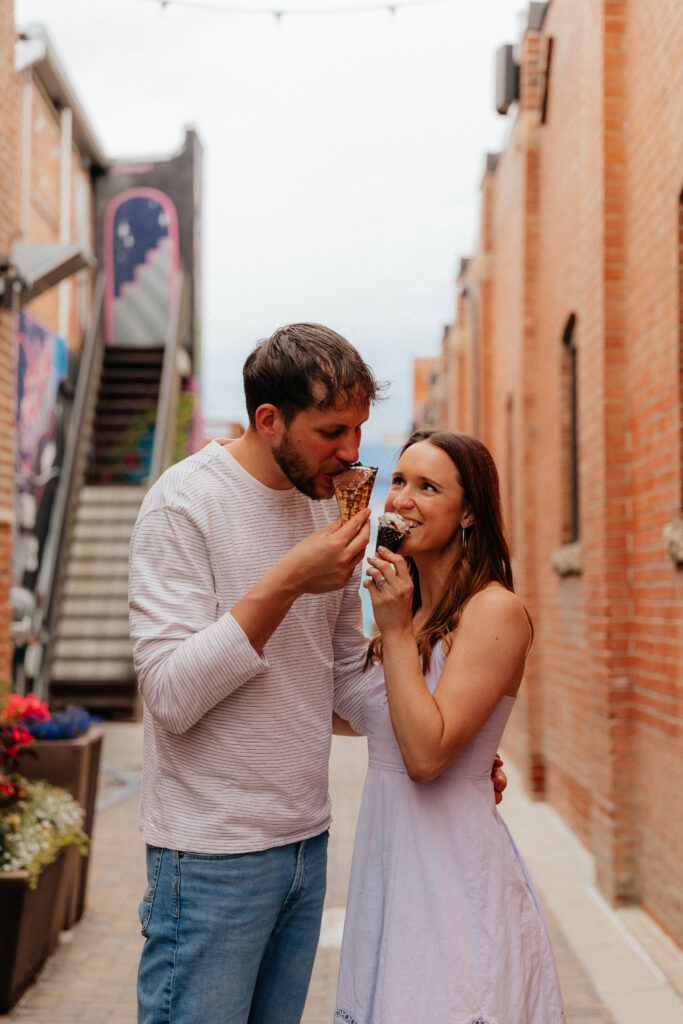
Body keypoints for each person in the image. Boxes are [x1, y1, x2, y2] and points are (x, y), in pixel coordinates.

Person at [128, 324, 506, 1024]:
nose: (352, 453)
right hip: (210, 857)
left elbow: (337, 676)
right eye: (332, 430)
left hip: (306, 846)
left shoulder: (326, 504)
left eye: (359, 429)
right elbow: (171, 696)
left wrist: (449, 733)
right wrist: (285, 582)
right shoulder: (182, 505)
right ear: (268, 420)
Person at [334, 430, 566, 1024]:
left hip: (452, 879)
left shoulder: (494, 610)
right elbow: (351, 712)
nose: (403, 499)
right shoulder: (412, 614)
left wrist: (392, 630)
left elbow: (428, 754)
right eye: (400, 482)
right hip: (391, 867)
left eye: (428, 487)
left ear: (468, 511)